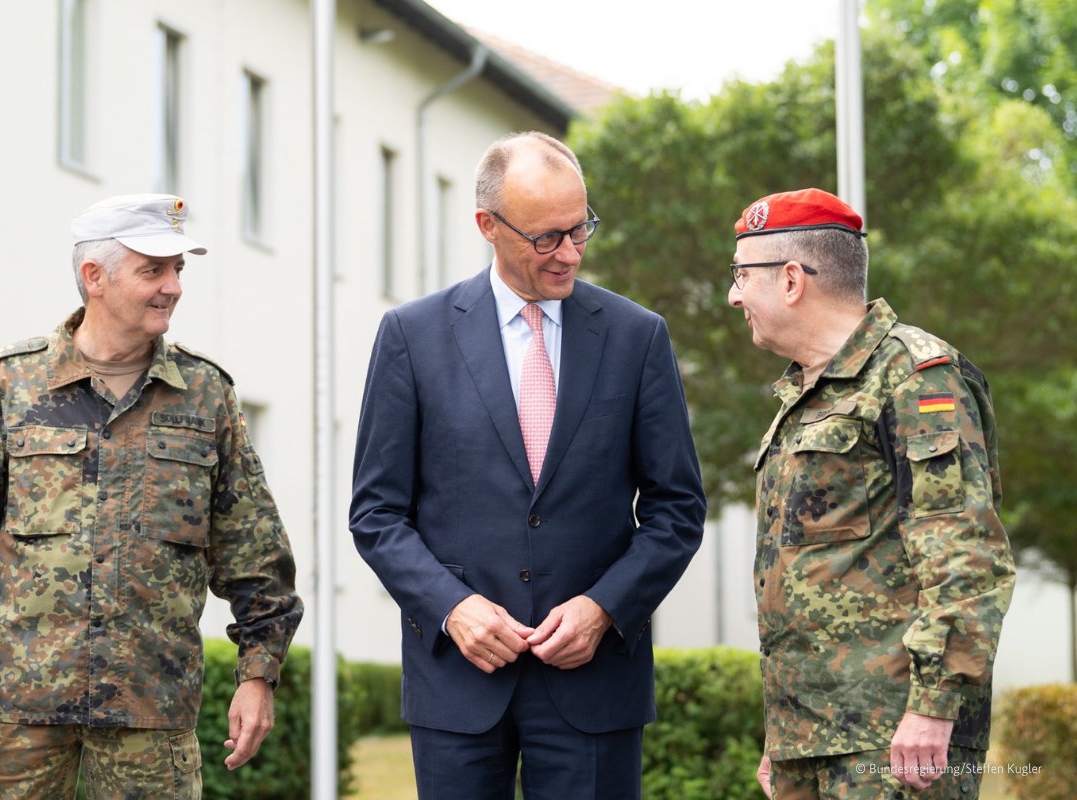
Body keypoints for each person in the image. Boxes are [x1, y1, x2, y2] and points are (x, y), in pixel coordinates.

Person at [0, 194, 303, 799]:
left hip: (151, 710)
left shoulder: (206, 394)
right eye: (153, 270)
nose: (173, 287)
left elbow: (256, 552)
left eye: (178, 270)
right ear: (95, 277)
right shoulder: (11, 383)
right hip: (16, 712)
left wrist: (259, 674)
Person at [350, 131, 706, 799]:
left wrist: (604, 608)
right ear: (487, 225)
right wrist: (452, 608)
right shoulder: (412, 336)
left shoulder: (637, 337)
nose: (569, 252)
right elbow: (376, 514)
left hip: (595, 684)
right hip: (456, 683)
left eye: (580, 228)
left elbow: (678, 510)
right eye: (546, 237)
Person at [727, 188, 1015, 798]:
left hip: (895, 740)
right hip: (813, 738)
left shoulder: (915, 377)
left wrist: (933, 708)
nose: (733, 295)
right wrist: (786, 736)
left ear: (790, 280)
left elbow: (966, 556)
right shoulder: (806, 396)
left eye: (740, 275)